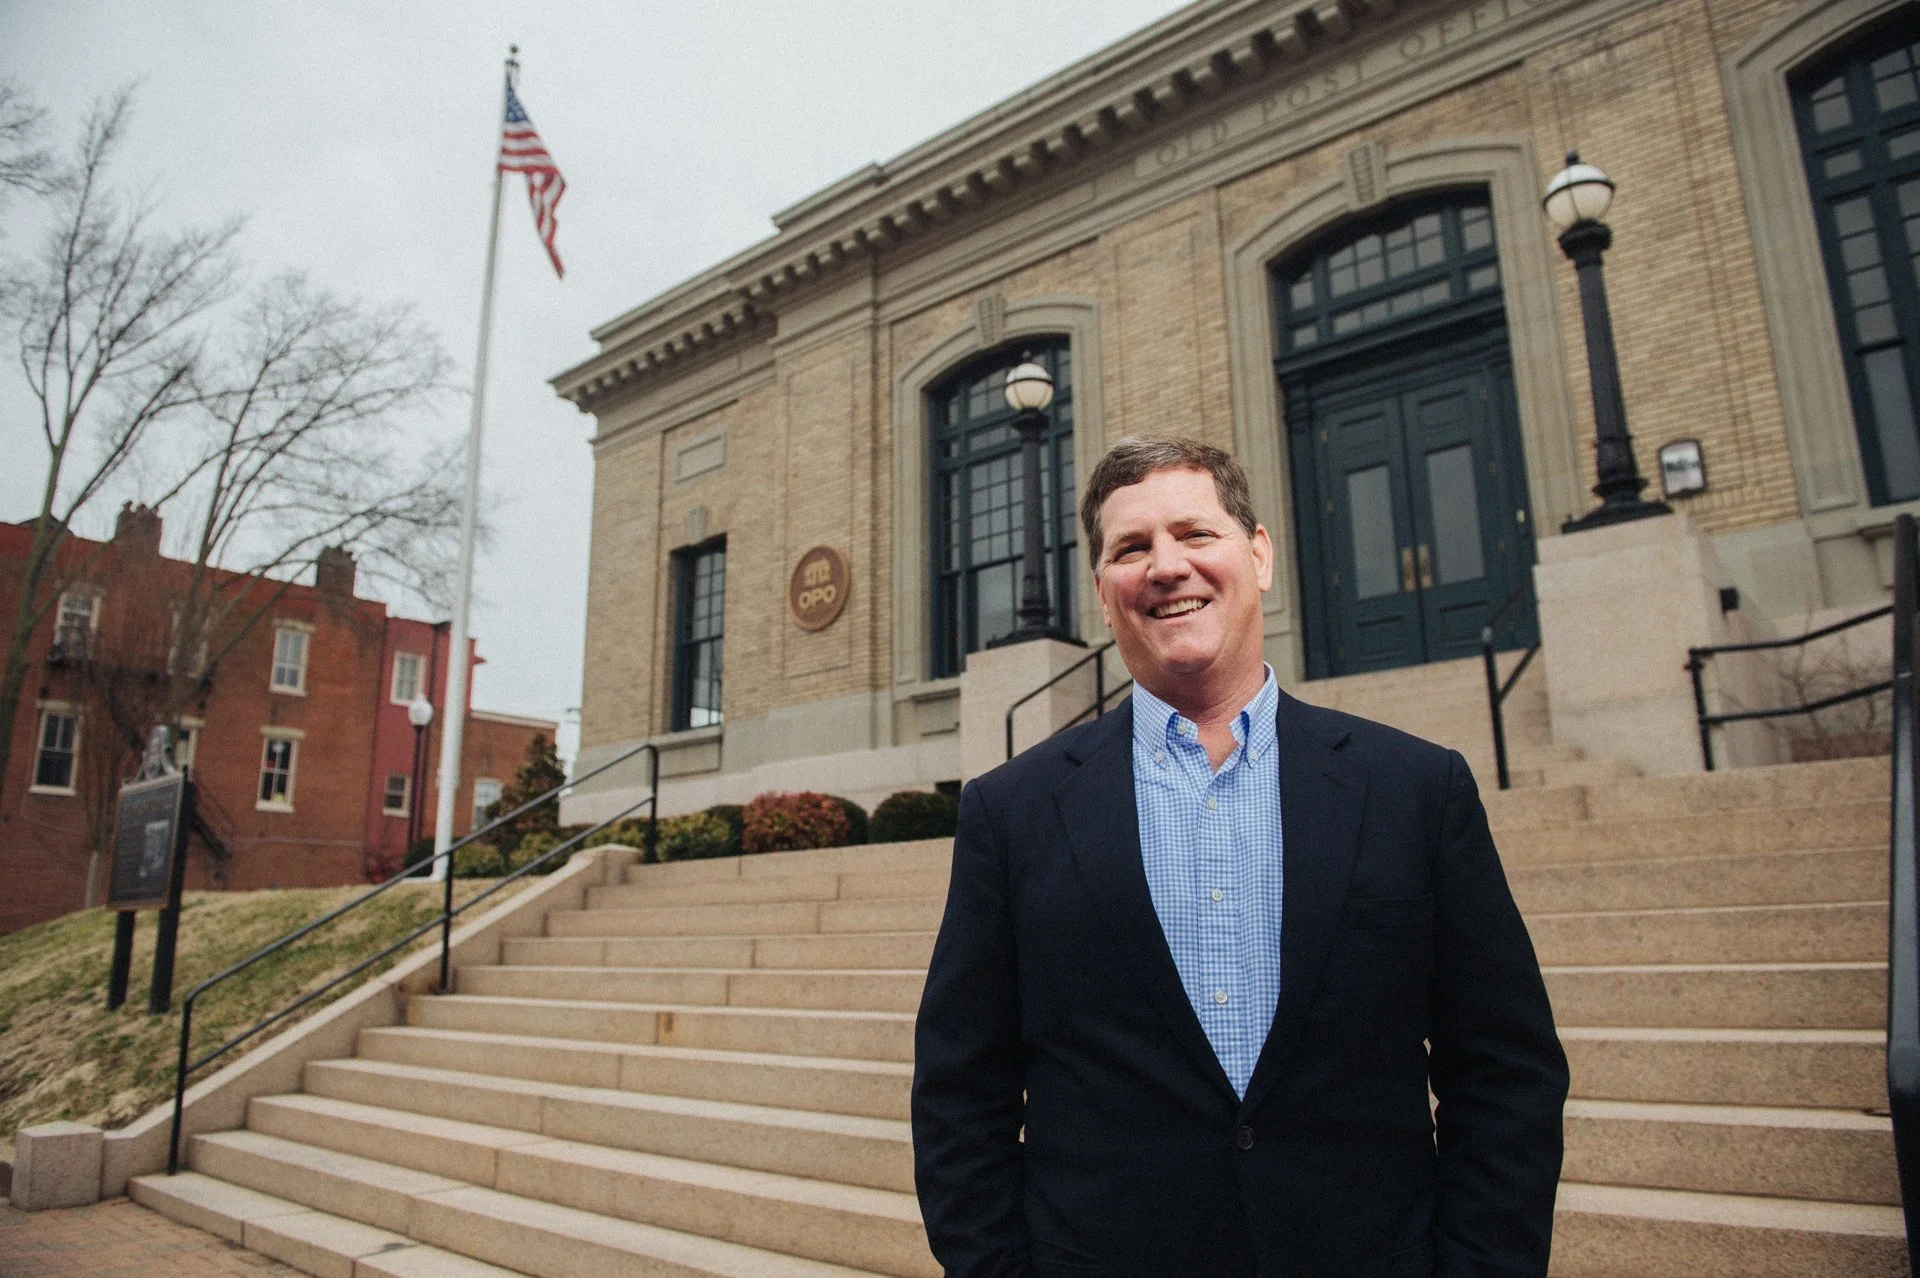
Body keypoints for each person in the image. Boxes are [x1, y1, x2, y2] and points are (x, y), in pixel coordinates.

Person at [912, 435, 1567, 1277]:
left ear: (1258, 556)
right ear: (1103, 594)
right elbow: (960, 1094)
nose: (1165, 566)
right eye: (1131, 548)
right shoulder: (1011, 812)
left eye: (1194, 534)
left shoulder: (1415, 789)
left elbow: (1505, 1071)